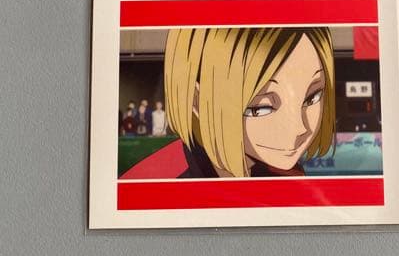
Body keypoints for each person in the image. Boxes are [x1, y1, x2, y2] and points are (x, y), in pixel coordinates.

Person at [121, 26, 336, 180]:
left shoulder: (284, 172)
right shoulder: (152, 184)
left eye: (312, 97)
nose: (299, 129)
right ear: (197, 100)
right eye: (260, 108)